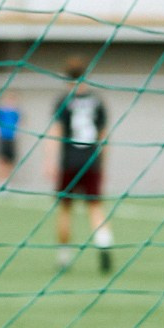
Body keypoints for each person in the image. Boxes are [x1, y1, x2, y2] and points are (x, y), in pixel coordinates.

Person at [49, 56, 112, 272]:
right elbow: (104, 136)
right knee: (95, 207)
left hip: (69, 160)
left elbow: (56, 133)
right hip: (92, 160)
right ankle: (104, 243)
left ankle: (64, 256)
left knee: (65, 209)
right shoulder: (98, 101)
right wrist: (103, 163)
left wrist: (50, 162)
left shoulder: (63, 101)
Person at [0, 93, 20, 184]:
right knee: (1, 160)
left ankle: (7, 181)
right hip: (2, 138)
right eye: (8, 100)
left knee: (11, 161)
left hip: (12, 139)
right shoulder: (0, 111)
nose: (10, 102)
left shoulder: (15, 113)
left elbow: (21, 122)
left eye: (12, 100)